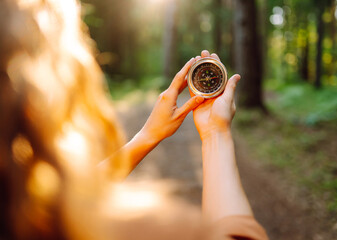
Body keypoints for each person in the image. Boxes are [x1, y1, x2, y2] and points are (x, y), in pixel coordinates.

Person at [0, 0, 268, 239]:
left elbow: (75, 191)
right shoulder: (149, 229)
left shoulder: (32, 206)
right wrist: (215, 135)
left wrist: (148, 135)